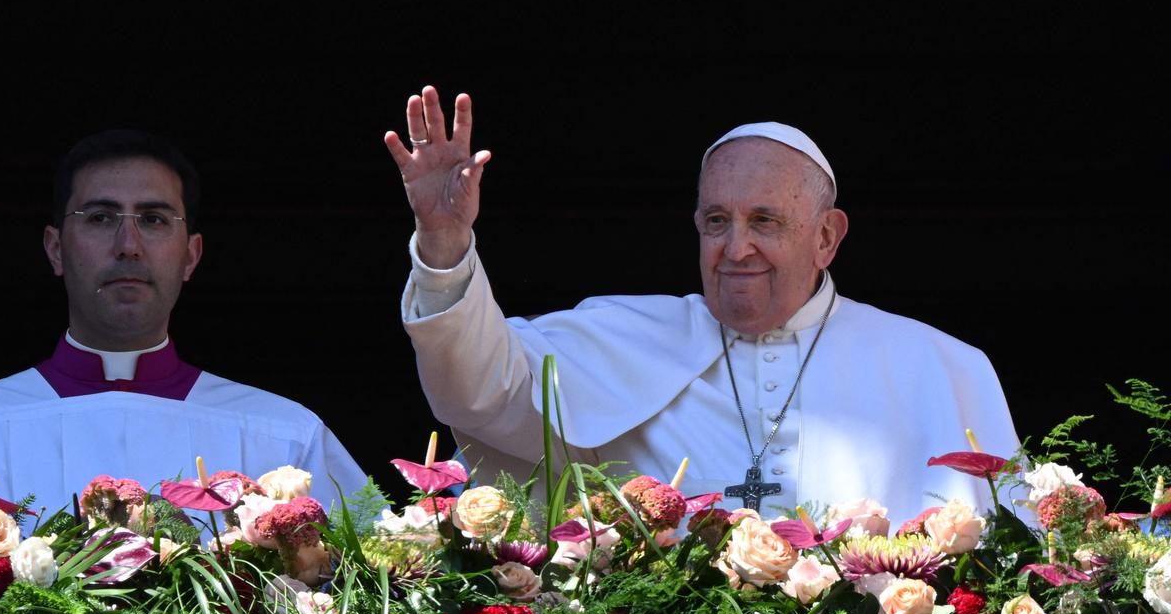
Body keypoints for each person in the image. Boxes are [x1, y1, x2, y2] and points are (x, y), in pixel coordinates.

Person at [387, 86, 1019, 520]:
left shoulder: (938, 366)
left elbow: (1015, 567)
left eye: (765, 221)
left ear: (826, 236)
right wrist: (445, 242)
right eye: (717, 220)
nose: (736, 247)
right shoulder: (624, 335)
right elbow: (479, 392)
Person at [0, 129, 366, 521]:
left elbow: (391, 585)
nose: (128, 245)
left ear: (191, 255)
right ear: (56, 248)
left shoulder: (284, 436)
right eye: (99, 217)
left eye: (154, 219)